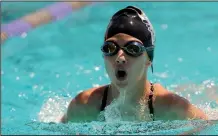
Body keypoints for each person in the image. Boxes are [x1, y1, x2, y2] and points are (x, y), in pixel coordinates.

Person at [60, 6, 208, 123]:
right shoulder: (84, 106)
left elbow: (207, 126)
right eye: (110, 48)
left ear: (148, 59)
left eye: (133, 48)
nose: (120, 57)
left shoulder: (172, 109)